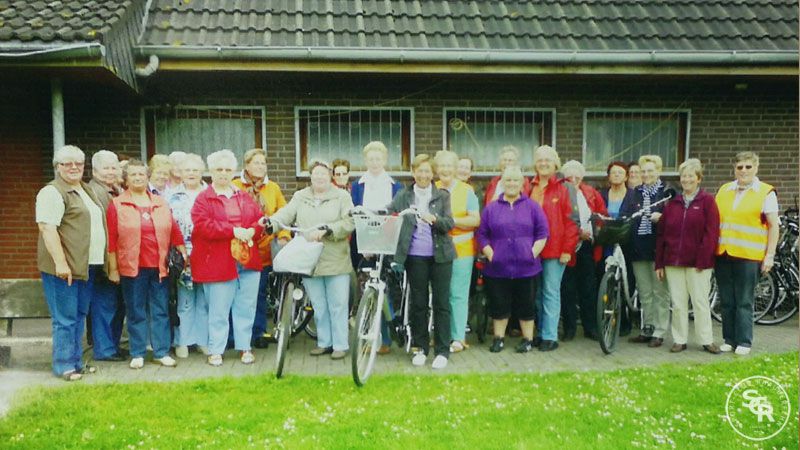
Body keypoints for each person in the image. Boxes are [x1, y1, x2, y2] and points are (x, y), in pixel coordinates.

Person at [269, 160, 355, 360]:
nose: (319, 177)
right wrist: (271, 223)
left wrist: (329, 230)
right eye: (316, 174)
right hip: (309, 259)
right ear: (310, 176)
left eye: (323, 174)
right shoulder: (301, 196)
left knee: (338, 304)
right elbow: (286, 214)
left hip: (335, 258)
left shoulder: (342, 196)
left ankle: (340, 345)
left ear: (330, 176)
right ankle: (324, 343)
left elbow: (350, 221)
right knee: (318, 304)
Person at [107, 159, 186, 369]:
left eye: (141, 174)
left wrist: (183, 253)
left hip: (159, 266)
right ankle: (138, 353)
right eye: (133, 174)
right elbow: (112, 239)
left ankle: (161, 352)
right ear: (126, 179)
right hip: (132, 267)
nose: (138, 178)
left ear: (147, 177)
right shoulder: (117, 204)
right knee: (136, 311)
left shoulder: (161, 202)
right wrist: (113, 268)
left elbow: (174, 230)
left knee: (160, 310)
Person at [36, 145, 106, 380]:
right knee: (65, 318)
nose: (74, 167)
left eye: (79, 163)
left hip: (86, 266)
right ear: (57, 167)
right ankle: (64, 365)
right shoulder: (52, 192)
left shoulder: (85, 190)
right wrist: (61, 263)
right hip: (64, 268)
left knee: (78, 315)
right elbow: (47, 228)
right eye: (67, 163)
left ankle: (76, 362)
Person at [191, 150, 264, 366]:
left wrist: (253, 230)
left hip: (247, 260)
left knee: (246, 307)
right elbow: (203, 226)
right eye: (219, 169)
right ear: (211, 171)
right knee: (218, 309)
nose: (223, 173)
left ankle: (245, 347)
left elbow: (259, 219)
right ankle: (216, 350)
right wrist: (233, 231)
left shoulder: (243, 196)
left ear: (234, 172)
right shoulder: (203, 199)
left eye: (228, 169)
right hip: (218, 262)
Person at [388, 154, 455, 369]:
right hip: (415, 257)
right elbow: (389, 215)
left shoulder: (442, 196)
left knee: (441, 304)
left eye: (427, 171)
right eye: (420, 171)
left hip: (441, 257)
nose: (423, 175)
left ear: (433, 174)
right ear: (413, 172)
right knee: (418, 303)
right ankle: (421, 348)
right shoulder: (403, 195)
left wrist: (434, 219)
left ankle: (442, 351)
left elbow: (449, 223)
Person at [477, 166, 549, 353]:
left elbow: (542, 232)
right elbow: (482, 235)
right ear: (502, 183)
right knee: (499, 304)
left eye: (515, 180)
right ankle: (498, 338)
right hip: (497, 268)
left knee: (526, 305)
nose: (511, 184)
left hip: (527, 267)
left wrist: (532, 253)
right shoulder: (491, 208)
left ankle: (528, 339)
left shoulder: (532, 206)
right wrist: (491, 254)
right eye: (508, 180)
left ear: (522, 184)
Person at [715, 151, 780, 355]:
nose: (743, 170)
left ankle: (744, 341)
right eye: (740, 167)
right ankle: (729, 339)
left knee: (744, 301)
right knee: (726, 300)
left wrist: (770, 255)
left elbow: (773, 226)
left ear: (756, 168)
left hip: (749, 255)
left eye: (748, 167)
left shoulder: (766, 193)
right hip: (723, 253)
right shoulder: (724, 190)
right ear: (734, 169)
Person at [655, 159, 721, 354]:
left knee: (700, 302)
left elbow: (712, 233)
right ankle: (679, 339)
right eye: (683, 176)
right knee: (678, 304)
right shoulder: (672, 204)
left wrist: (702, 260)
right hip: (673, 262)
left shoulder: (708, 202)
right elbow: (661, 235)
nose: (686, 179)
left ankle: (706, 340)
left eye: (691, 176)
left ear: (698, 179)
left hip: (698, 264)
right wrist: (659, 263)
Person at [232, 148, 291, 349]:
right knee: (235, 294)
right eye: (256, 163)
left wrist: (283, 235)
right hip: (239, 249)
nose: (260, 166)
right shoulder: (235, 186)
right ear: (246, 165)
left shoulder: (273, 188)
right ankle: (233, 335)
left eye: (263, 163)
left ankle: (257, 332)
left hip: (263, 250)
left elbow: (284, 214)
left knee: (258, 294)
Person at [350, 141, 403, 354]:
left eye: (378, 159)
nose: (374, 163)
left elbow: (397, 215)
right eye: (371, 159)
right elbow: (355, 215)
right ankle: (367, 338)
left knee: (386, 291)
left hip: (388, 243)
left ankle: (387, 338)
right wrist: (366, 243)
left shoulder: (395, 186)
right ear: (365, 160)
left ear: (385, 160)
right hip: (365, 245)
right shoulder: (357, 186)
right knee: (367, 291)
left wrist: (385, 241)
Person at [529, 145, 579, 352]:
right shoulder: (529, 186)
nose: (543, 164)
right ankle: (541, 332)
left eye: (547, 160)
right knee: (537, 293)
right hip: (533, 250)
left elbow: (572, 221)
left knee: (551, 291)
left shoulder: (565, 187)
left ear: (555, 163)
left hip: (556, 250)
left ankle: (550, 336)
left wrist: (568, 249)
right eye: (540, 160)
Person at [434, 150, 480, 353]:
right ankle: (440, 336)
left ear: (455, 168)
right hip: (436, 248)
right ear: (436, 169)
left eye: (449, 166)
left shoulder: (467, 191)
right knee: (438, 294)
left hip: (461, 248)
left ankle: (458, 337)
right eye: (441, 166)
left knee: (458, 294)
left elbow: (475, 220)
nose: (445, 170)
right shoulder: (432, 189)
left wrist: (451, 221)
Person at [625, 155, 673, 348]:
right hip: (638, 248)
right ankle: (648, 327)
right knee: (644, 291)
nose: (646, 174)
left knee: (660, 292)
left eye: (650, 171)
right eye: (643, 171)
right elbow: (628, 216)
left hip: (658, 249)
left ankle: (660, 331)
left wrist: (662, 218)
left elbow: (676, 220)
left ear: (659, 171)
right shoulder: (634, 193)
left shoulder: (667, 192)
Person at [167, 154, 209, 358]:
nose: (191, 174)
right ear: (180, 173)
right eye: (187, 170)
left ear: (202, 172)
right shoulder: (171, 196)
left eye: (195, 170)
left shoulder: (210, 193)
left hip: (208, 254)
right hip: (182, 254)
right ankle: (183, 341)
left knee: (204, 300)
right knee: (184, 300)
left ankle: (202, 341)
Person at [560, 160, 607, 341]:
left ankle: (590, 327)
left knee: (588, 288)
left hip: (587, 246)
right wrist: (578, 233)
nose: (573, 180)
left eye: (577, 177)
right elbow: (561, 219)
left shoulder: (590, 192)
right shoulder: (561, 192)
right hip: (567, 246)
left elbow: (602, 215)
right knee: (567, 288)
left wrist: (595, 230)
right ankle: (569, 328)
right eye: (569, 177)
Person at [86, 150, 126, 362]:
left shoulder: (117, 190)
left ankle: (113, 345)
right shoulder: (93, 192)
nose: (111, 172)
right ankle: (104, 349)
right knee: (105, 305)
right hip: (104, 260)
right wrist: (110, 265)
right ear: (94, 171)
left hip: (120, 258)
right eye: (106, 168)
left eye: (114, 167)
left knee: (118, 305)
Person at [599, 161, 638, 336]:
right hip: (607, 241)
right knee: (606, 280)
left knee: (625, 281)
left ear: (626, 176)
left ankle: (624, 321)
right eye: (613, 172)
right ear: (608, 176)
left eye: (620, 172)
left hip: (626, 243)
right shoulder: (601, 194)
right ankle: (605, 318)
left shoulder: (633, 195)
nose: (616, 175)